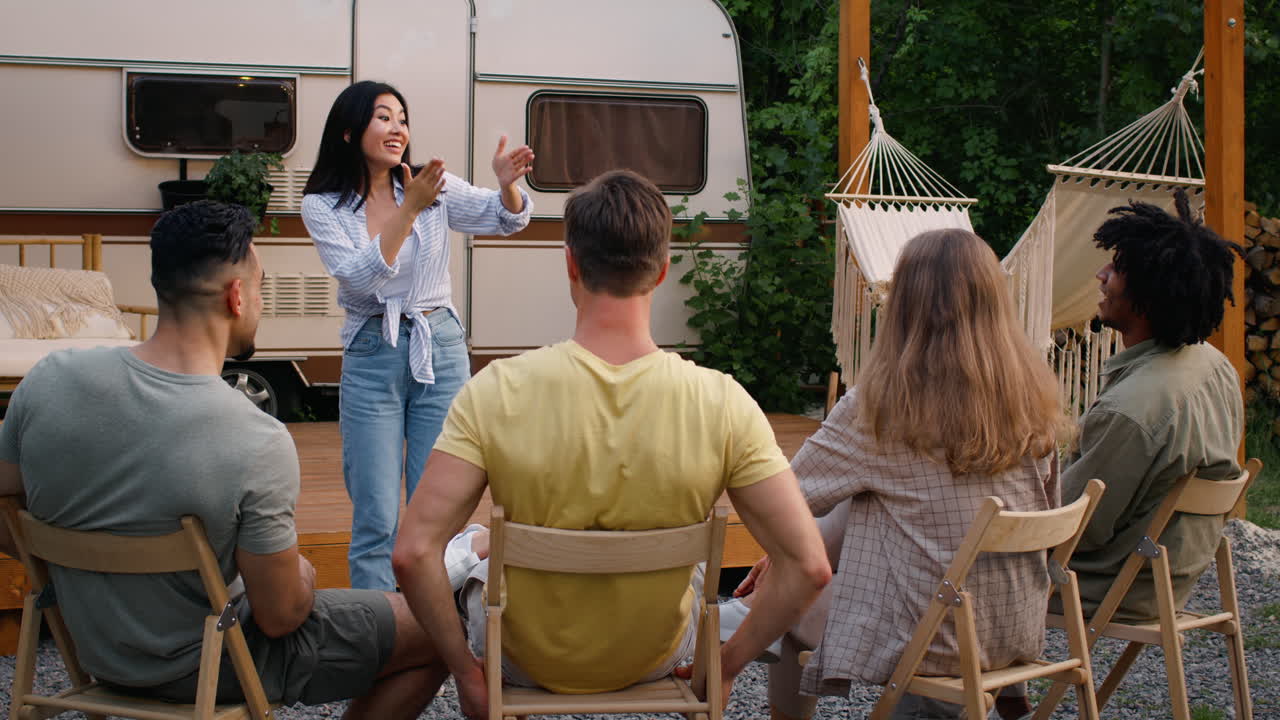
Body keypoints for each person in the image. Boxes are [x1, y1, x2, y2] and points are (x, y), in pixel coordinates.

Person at [391, 170, 832, 719]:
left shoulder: (497, 391)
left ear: (571, 264)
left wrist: (464, 669)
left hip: (522, 659)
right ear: (663, 271)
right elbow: (809, 565)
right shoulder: (722, 402)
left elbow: (412, 552)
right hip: (655, 655)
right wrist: (726, 664)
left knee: (474, 551)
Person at [0, 201, 448, 719]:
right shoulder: (254, 437)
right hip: (211, 660)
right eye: (259, 288)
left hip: (95, 650)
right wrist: (300, 571)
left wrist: (76, 563)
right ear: (238, 297)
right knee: (439, 628)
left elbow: (7, 510)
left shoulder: (48, 381)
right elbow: (282, 616)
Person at [725, 229, 1070, 720]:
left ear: (904, 306)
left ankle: (750, 649)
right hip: (1013, 628)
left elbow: (784, 499)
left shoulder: (881, 409)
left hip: (933, 637)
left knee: (798, 583)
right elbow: (1045, 518)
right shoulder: (1034, 400)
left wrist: (786, 558)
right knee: (863, 497)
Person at [301, 80, 533, 590]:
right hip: (372, 348)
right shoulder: (323, 205)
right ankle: (380, 641)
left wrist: (506, 182)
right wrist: (410, 209)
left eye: (402, 118)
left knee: (437, 512)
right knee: (376, 516)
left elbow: (507, 218)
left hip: (440, 345)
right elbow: (360, 277)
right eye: (383, 117)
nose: (397, 127)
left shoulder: (430, 184)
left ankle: (432, 641)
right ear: (348, 131)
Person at [1061, 190, 1244, 621]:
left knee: (955, 565)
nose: (1101, 275)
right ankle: (1008, 691)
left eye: (1118, 269)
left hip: (1113, 584)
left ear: (1149, 293)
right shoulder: (1214, 365)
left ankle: (969, 688)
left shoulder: (1132, 409)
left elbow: (1074, 527)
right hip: (1169, 572)